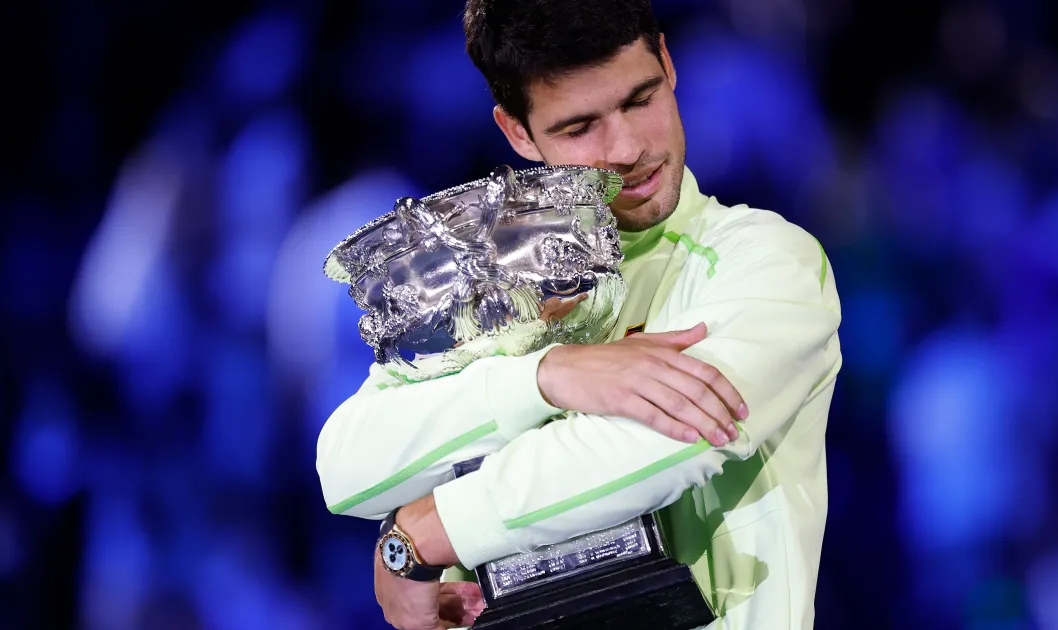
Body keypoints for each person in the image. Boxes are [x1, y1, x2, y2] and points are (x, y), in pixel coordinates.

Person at [315, 0, 843, 627]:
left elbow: (678, 441)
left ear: (669, 65)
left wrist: (429, 530)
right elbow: (347, 467)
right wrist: (545, 376)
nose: (626, 148)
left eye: (640, 99)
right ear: (517, 132)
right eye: (578, 127)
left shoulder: (764, 260)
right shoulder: (480, 274)